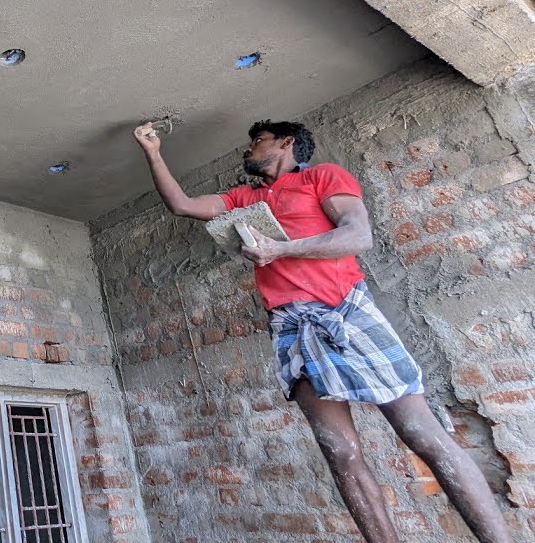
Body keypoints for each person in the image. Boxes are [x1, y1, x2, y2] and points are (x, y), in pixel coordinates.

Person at [132, 119, 512, 543]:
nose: (247, 150)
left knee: (421, 434)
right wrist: (152, 151)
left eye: (257, 141)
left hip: (345, 310)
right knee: (341, 452)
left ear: (287, 143)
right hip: (291, 324)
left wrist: (280, 249)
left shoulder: (323, 176)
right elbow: (182, 204)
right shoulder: (247, 198)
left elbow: (357, 235)